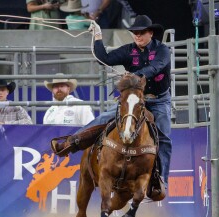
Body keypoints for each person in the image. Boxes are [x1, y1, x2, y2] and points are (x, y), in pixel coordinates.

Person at [51, 15, 172, 186]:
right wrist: (98, 37)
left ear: (150, 33)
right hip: (134, 99)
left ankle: (162, 179)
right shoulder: (128, 51)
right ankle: (70, 143)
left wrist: (136, 75)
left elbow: (156, 67)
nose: (137, 35)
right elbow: (104, 59)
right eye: (135, 33)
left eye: (141, 32)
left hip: (159, 99)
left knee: (164, 136)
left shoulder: (162, 50)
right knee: (104, 118)